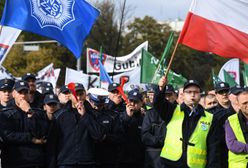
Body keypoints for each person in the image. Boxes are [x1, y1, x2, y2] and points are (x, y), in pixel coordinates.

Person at [155, 76, 220, 168]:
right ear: (183, 95)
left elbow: (214, 148)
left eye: (196, 92)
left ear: (200, 95)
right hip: (170, 163)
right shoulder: (172, 110)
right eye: (189, 92)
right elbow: (158, 103)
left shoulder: (211, 118)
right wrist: (161, 89)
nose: (192, 95)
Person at [48, 83, 105, 168]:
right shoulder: (59, 115)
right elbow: (52, 144)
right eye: (75, 94)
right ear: (70, 95)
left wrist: (85, 116)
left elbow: (99, 135)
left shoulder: (94, 114)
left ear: (85, 94)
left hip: (88, 162)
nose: (78, 97)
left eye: (81, 94)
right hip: (66, 162)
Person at [1, 80, 48, 168]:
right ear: (14, 94)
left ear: (29, 94)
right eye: (20, 92)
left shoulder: (39, 113)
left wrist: (30, 112)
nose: (23, 96)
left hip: (35, 161)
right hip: (12, 161)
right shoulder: (6, 114)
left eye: (25, 92)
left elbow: (40, 134)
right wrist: (31, 139)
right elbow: (7, 135)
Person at [88, 88, 124, 168]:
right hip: (87, 159)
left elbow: (120, 137)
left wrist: (106, 137)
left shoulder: (113, 116)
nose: (98, 107)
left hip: (107, 159)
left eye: (100, 104)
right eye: (95, 104)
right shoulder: (84, 115)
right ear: (89, 100)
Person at [208, 82, 235, 168]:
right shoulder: (211, 113)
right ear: (216, 95)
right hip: (219, 154)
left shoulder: (238, 110)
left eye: (226, 91)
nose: (224, 94)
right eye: (221, 92)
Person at [119, 89, 145, 168]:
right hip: (122, 160)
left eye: (136, 102)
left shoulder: (145, 118)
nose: (133, 104)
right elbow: (120, 132)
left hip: (139, 160)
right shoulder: (121, 116)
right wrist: (128, 116)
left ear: (141, 103)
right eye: (131, 101)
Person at [225, 87, 248, 168]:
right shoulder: (231, 120)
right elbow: (232, 144)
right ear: (238, 105)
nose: (247, 105)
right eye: (245, 103)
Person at [141, 102, 166, 168]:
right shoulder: (150, 113)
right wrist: (162, 141)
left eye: (169, 95)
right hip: (154, 156)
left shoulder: (176, 113)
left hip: (173, 157)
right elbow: (145, 136)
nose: (167, 98)